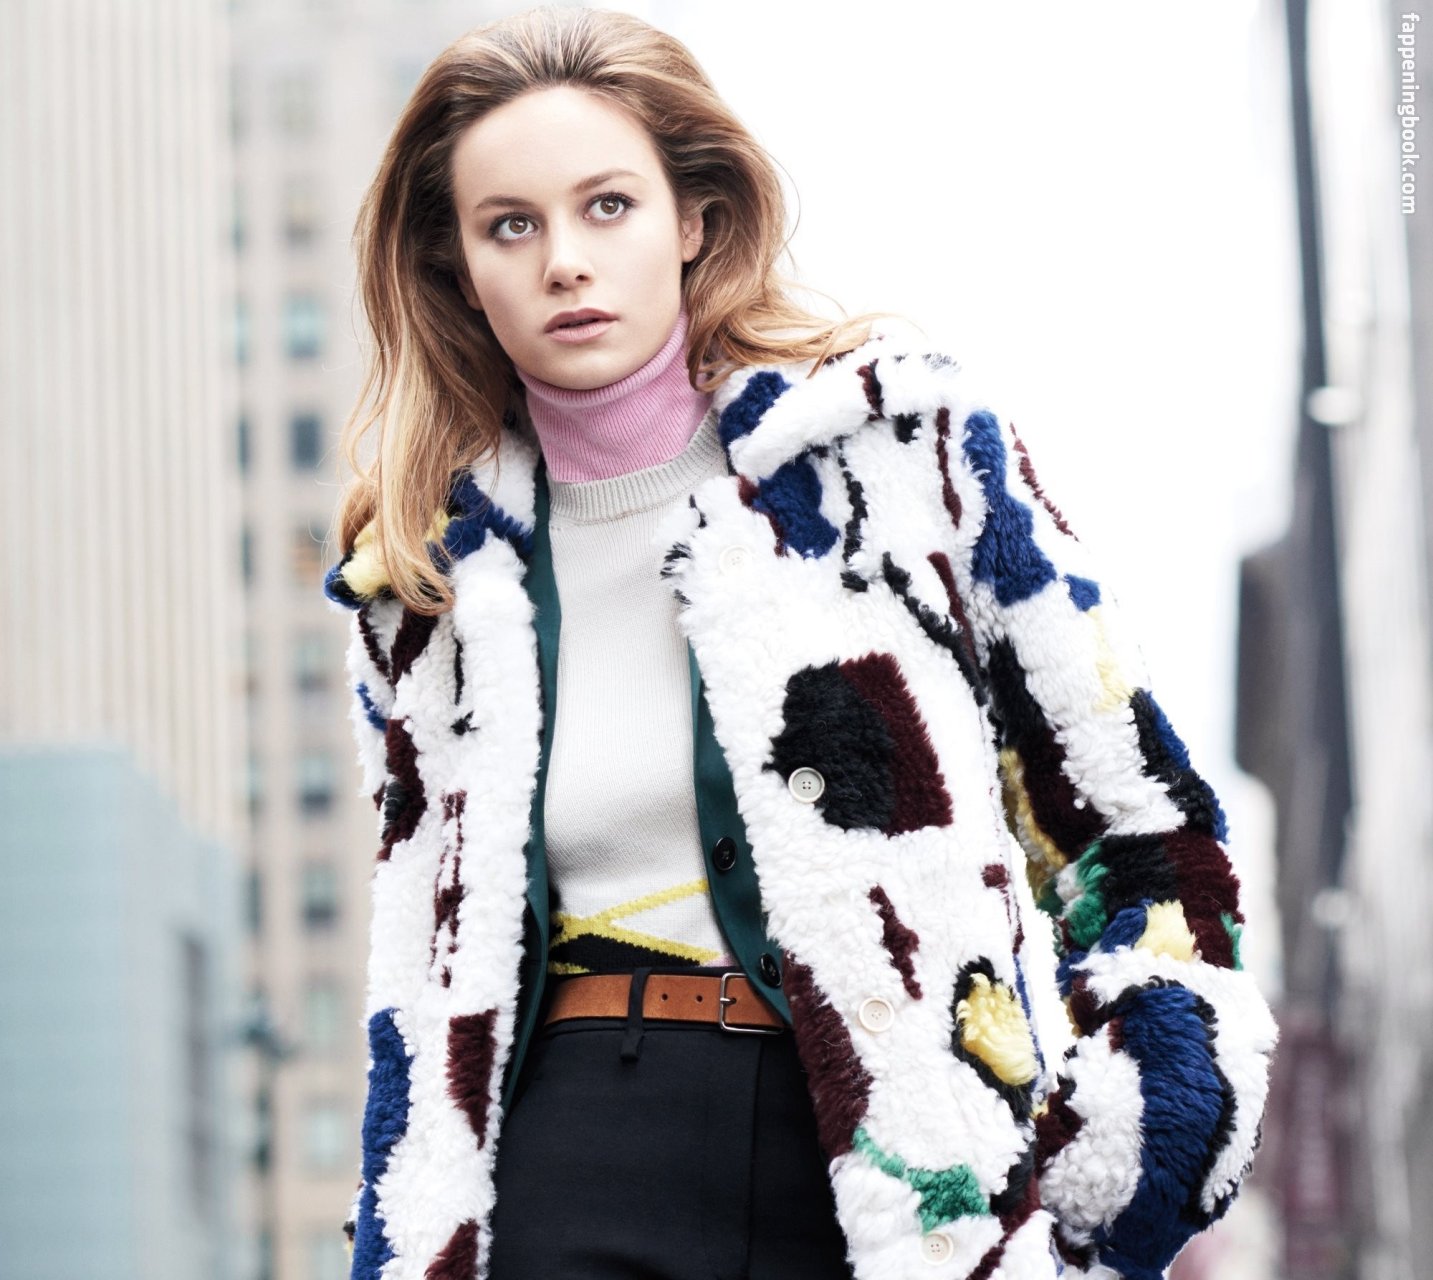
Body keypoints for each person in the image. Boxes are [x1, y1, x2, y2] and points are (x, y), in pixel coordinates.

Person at [323, 8, 1277, 1279]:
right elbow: (426, 971)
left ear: (692, 219)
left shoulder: (900, 454)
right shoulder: (429, 581)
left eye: (606, 206)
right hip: (567, 1162)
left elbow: (1134, 821)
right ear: (456, 267)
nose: (564, 261)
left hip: (892, 1177)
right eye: (511, 225)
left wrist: (1129, 1159)